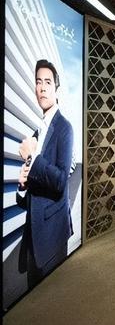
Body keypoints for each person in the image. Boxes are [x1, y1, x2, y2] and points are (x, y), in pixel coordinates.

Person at [17, 59, 73, 287]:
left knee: (53, 300)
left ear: (56, 89)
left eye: (47, 82)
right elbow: (35, 189)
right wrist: (22, 187)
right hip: (33, 234)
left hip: (52, 233)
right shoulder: (36, 133)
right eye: (38, 82)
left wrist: (32, 158)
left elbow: (60, 181)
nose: (42, 88)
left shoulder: (64, 127)